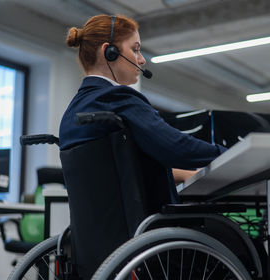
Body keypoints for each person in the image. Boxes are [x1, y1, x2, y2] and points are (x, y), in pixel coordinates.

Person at [59, 14, 227, 279]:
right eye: (135, 49)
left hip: (98, 255)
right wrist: (230, 155)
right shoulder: (118, 98)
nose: (141, 59)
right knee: (229, 234)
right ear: (109, 52)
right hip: (146, 247)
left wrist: (181, 173)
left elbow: (120, 170)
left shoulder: (74, 111)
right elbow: (177, 147)